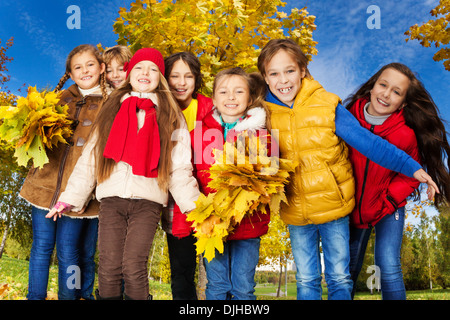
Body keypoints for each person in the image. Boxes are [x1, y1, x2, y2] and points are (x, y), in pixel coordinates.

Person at [256, 38, 439, 300]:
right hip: (296, 210)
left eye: (289, 71)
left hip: (335, 207)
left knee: (340, 278)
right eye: (274, 73)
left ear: (303, 71)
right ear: (265, 77)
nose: (282, 80)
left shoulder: (328, 105)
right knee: (306, 280)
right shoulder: (263, 110)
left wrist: (412, 169)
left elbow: (369, 143)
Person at [46, 48, 200, 300]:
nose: (145, 73)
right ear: (129, 74)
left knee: (133, 267)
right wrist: (69, 197)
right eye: (139, 67)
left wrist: (194, 207)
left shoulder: (171, 115)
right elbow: (90, 158)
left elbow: (179, 166)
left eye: (153, 69)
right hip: (112, 199)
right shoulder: (111, 109)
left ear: (160, 77)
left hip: (148, 201)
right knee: (108, 268)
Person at [345, 62, 450, 300]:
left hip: (387, 206)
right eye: (383, 85)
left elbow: (411, 175)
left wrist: (389, 199)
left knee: (388, 265)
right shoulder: (348, 117)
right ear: (372, 87)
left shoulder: (404, 134)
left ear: (402, 103)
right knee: (347, 269)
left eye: (396, 92)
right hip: (352, 208)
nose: (386, 94)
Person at [20, 44, 108, 300]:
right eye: (77, 67)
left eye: (90, 64)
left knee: (69, 250)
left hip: (76, 194)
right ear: (70, 74)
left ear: (101, 68)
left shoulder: (108, 104)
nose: (85, 71)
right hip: (44, 186)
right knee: (41, 247)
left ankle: (68, 297)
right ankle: (34, 296)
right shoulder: (58, 99)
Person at [191, 67, 272, 300]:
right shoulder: (199, 132)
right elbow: (193, 174)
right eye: (224, 92)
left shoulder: (262, 134)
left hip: (248, 224)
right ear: (214, 98)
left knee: (243, 287)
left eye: (239, 91)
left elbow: (270, 176)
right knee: (216, 286)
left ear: (249, 97)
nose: (231, 97)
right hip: (212, 224)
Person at [161, 51, 213, 300]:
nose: (181, 82)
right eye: (174, 76)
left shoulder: (213, 109)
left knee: (219, 271)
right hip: (176, 205)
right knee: (181, 272)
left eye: (188, 76)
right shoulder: (159, 112)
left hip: (214, 202)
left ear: (196, 79)